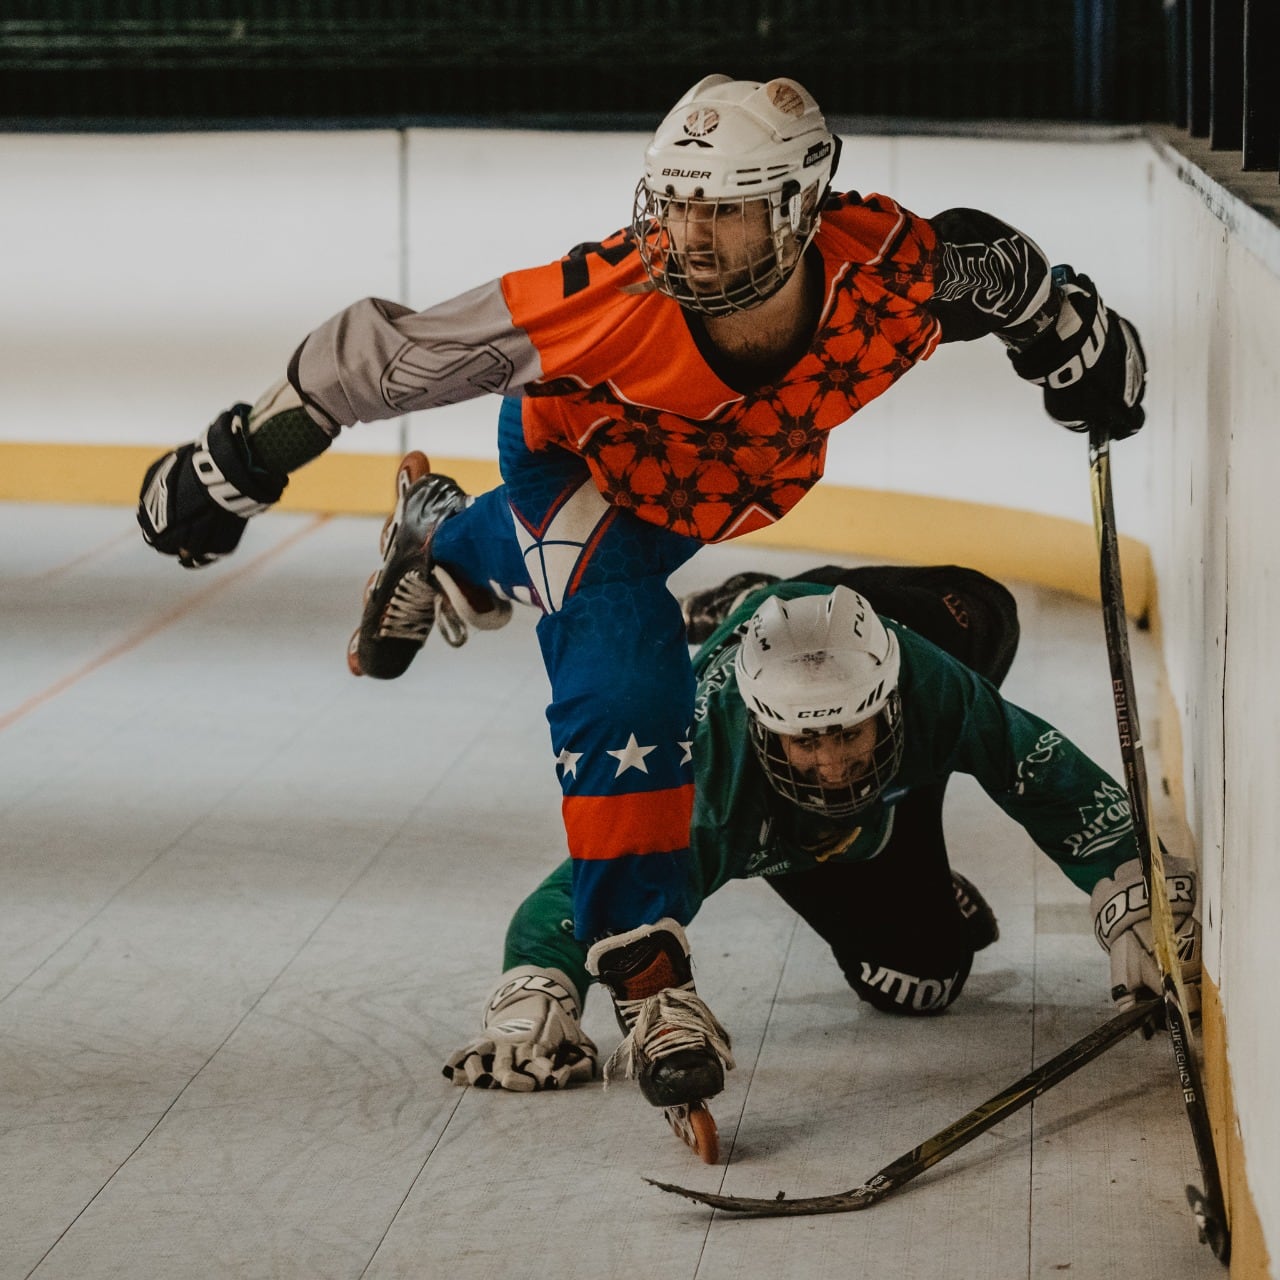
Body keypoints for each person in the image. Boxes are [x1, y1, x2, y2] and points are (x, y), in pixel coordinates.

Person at [134, 75, 1149, 1114]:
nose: (688, 237)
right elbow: (385, 357)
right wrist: (233, 463)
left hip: (718, 494)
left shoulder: (884, 274)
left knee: (571, 585)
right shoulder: (601, 306)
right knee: (626, 682)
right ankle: (649, 980)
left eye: (723, 208)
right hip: (584, 483)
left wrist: (1070, 335)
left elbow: (989, 266)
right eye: (672, 204)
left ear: (799, 209)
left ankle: (444, 535)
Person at [441, 565, 1201, 1102]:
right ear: (768, 733)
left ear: (891, 701)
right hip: (814, 830)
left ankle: (803, 601)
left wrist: (1129, 875)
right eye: (807, 743)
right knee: (922, 983)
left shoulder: (929, 685)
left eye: (852, 731)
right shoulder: (709, 796)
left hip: (886, 645)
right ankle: (753, 611)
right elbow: (582, 895)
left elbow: (1044, 775)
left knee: (984, 609)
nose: (834, 765)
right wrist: (535, 996)